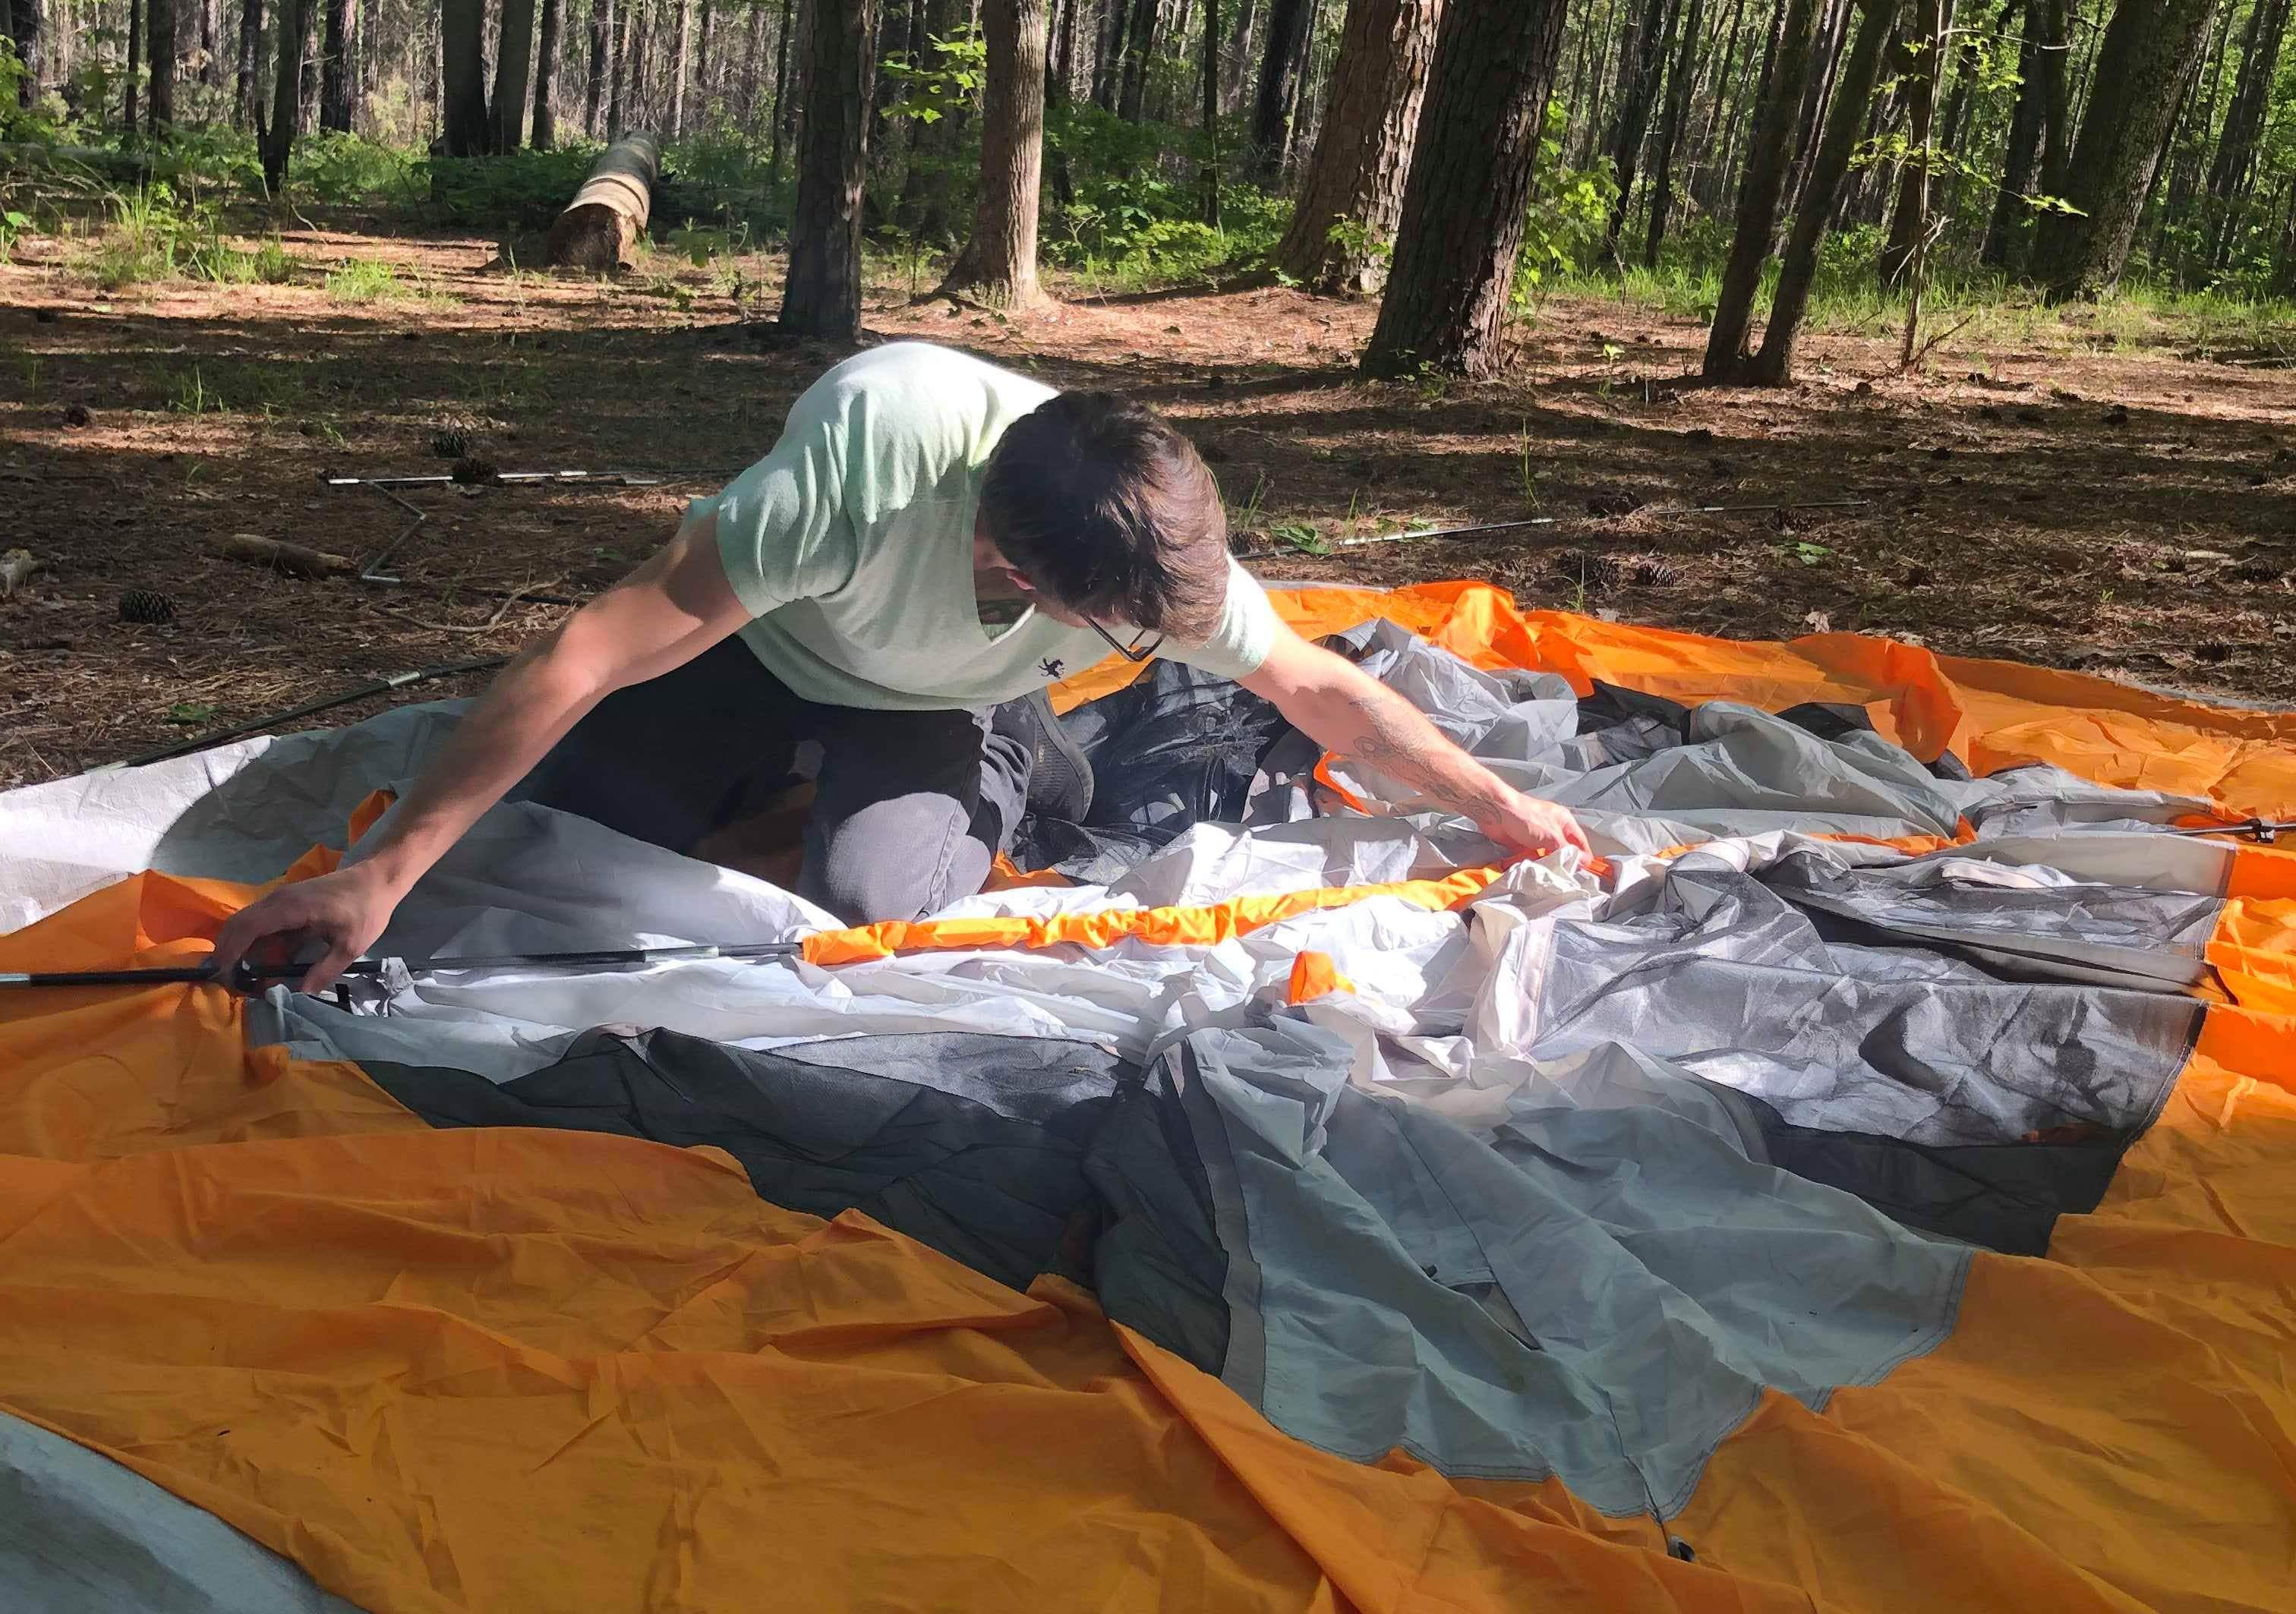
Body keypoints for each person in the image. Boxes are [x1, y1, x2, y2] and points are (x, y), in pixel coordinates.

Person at [211, 340, 1588, 990]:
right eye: (1114, 633)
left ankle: (1014, 754)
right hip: (769, 653)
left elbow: (1314, 686)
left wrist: (1497, 805)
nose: (1135, 642)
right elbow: (584, 656)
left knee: (869, 906)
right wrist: (383, 873)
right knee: (569, 834)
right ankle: (832, 761)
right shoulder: (858, 483)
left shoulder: (1149, 554)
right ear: (1012, 565)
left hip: (945, 696)